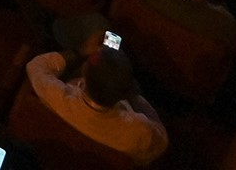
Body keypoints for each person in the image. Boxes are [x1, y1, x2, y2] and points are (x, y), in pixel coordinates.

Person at [23, 47, 169, 165]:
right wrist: (136, 98)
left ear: (84, 73)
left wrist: (81, 51)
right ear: (125, 92)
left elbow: (36, 65)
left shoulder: (56, 97)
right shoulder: (140, 132)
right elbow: (161, 140)